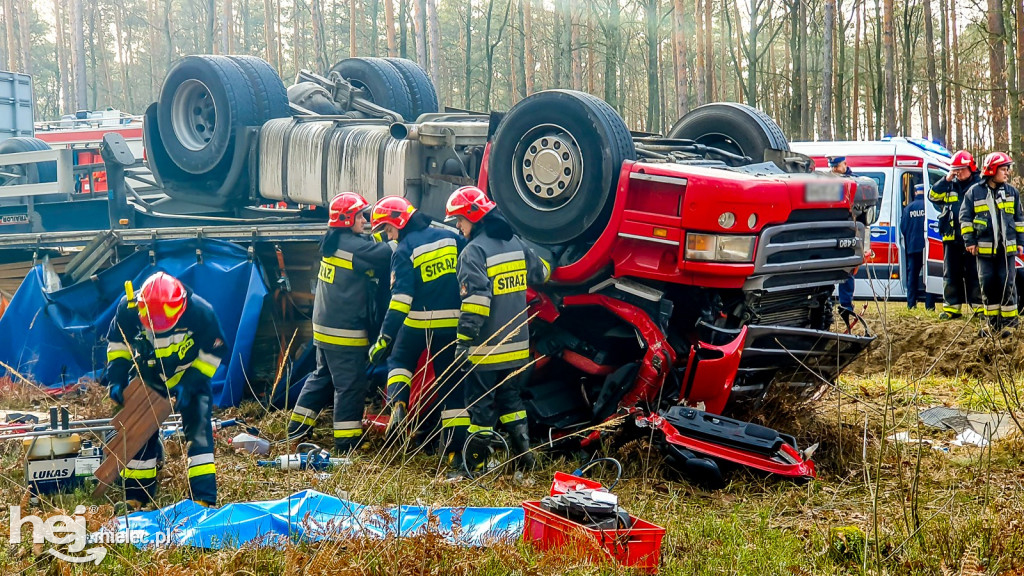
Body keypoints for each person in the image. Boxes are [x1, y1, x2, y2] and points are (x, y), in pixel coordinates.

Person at [444, 186, 550, 477]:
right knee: (511, 402)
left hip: (485, 349)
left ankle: (474, 467)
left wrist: (463, 341)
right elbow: (542, 273)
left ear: (473, 217)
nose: (458, 226)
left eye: (460, 220)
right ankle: (525, 461)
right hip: (516, 346)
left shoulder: (473, 252)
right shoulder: (515, 243)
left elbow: (476, 302)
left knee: (481, 410)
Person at [103, 272, 226, 507]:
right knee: (138, 433)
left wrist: (189, 384)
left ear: (179, 307)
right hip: (148, 378)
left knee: (199, 434)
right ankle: (137, 498)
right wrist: (116, 379)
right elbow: (118, 346)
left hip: (188, 377)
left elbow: (213, 352)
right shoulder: (128, 310)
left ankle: (203, 498)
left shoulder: (200, 312)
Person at [287, 192, 393, 453]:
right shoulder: (354, 246)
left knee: (321, 377)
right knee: (350, 385)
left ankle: (296, 429)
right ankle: (347, 442)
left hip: (324, 329)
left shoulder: (337, 240)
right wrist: (399, 233)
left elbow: (368, 244)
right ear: (346, 219)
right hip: (344, 331)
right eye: (359, 215)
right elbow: (385, 252)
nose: (364, 219)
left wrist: (376, 234)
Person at [367, 195, 468, 471]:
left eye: (388, 229)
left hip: (416, 322)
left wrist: (385, 337)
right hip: (452, 324)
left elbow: (401, 300)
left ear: (399, 222)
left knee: (399, 360)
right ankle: (454, 454)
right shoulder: (451, 237)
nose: (388, 235)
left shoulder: (404, 250)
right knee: (452, 390)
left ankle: (399, 403)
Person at [959, 152, 1024, 335]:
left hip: (1007, 250)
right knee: (987, 284)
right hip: (984, 251)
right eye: (1003, 169)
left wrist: (1020, 242)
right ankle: (992, 324)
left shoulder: (1012, 193)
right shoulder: (974, 193)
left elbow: (1019, 220)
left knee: (1007, 284)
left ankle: (1010, 325)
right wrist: (969, 241)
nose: (1007, 173)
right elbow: (965, 219)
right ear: (992, 170)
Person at [929, 150, 982, 319]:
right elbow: (933, 196)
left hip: (973, 239)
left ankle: (979, 308)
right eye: (955, 169)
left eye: (961, 169)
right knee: (951, 274)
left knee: (975, 273)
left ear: (970, 167)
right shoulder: (950, 184)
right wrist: (946, 178)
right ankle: (952, 308)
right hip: (952, 238)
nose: (958, 172)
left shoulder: (980, 185)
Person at [830, 156, 859, 323]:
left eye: (836, 166)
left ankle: (846, 306)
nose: (834, 169)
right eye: (832, 166)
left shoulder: (852, 182)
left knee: (847, 271)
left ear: (844, 165)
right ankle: (825, 304)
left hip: (847, 231)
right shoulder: (824, 182)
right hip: (831, 232)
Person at [900, 184, 936, 310]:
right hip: (927, 246)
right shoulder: (929, 207)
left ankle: (911, 304)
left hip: (913, 246)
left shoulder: (908, 208)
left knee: (912, 276)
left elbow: (903, 228)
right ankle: (930, 305)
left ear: (915, 193)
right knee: (929, 276)